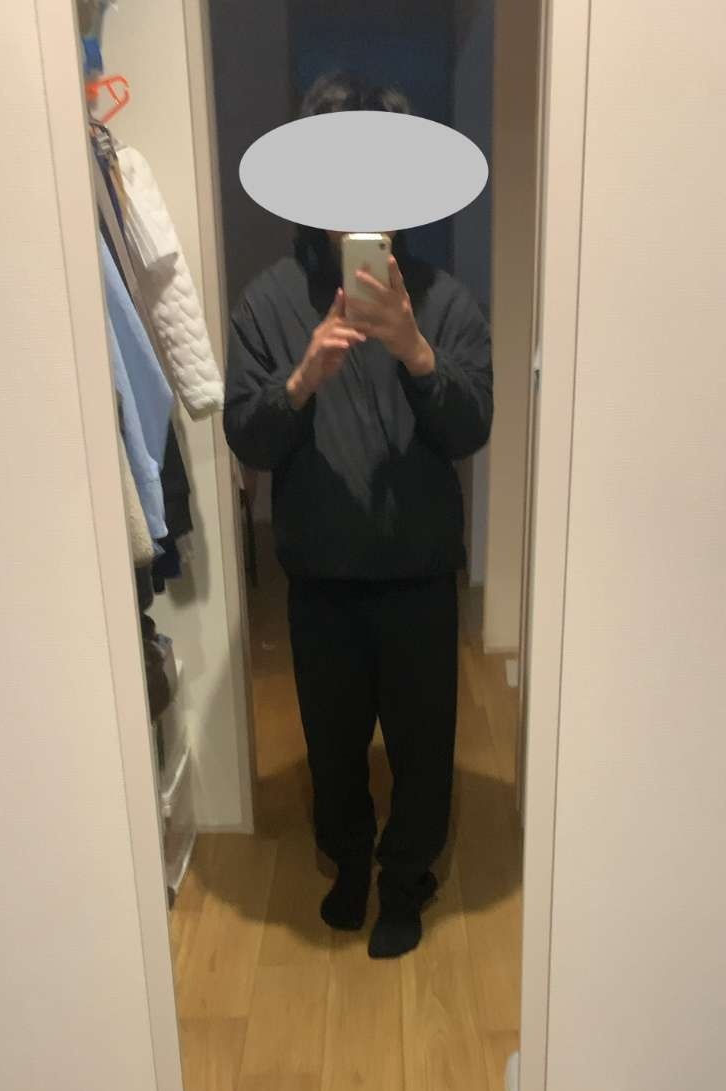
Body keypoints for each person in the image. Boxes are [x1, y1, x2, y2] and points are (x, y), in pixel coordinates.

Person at [224, 72, 493, 959]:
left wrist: (417, 352)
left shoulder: (444, 301)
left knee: (423, 744)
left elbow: (472, 427)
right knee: (332, 743)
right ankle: (347, 863)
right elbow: (247, 436)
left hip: (419, 573)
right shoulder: (268, 302)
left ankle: (407, 880)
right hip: (320, 574)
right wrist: (302, 379)